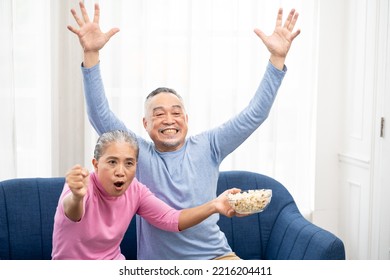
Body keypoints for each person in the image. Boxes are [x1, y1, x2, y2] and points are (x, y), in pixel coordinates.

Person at [67, 2, 300, 260]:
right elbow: (100, 114)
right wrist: (91, 54)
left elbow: (254, 114)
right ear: (145, 125)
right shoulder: (136, 154)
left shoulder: (210, 145)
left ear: (186, 119)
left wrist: (277, 59)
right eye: (158, 114)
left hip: (216, 256)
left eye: (176, 112)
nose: (169, 119)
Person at [51, 130, 241, 260]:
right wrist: (77, 196)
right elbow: (73, 212)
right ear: (95, 164)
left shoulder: (135, 190)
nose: (120, 171)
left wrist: (214, 205)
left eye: (129, 163)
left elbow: (172, 219)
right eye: (112, 162)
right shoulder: (80, 186)